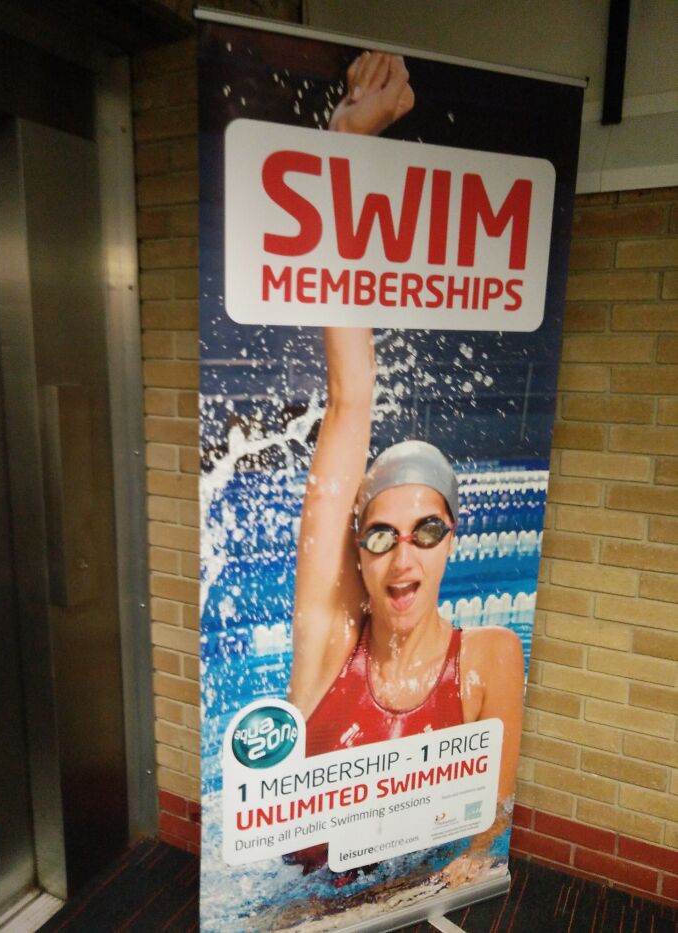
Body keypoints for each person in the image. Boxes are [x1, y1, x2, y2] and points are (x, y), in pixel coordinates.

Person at [286, 51, 525, 875]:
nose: (404, 554)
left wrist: (473, 858)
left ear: (453, 537)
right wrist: (342, 148)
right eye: (380, 534)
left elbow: (492, 820)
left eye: (427, 528)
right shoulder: (324, 643)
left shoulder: (490, 657)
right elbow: (353, 396)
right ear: (356, 550)